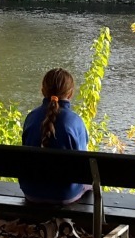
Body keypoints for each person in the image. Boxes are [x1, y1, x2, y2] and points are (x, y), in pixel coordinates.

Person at [19, 67, 91, 205]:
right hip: (64, 195)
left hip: (31, 192)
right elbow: (84, 166)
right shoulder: (75, 122)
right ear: (70, 94)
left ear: (42, 91)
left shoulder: (31, 118)